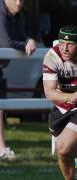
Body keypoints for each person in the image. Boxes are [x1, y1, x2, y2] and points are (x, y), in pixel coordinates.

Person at [0, 0, 36, 160]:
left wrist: (29, 41)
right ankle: (2, 151)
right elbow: (7, 43)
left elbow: (24, 39)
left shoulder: (17, 16)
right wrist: (26, 44)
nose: (19, 3)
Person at [43, 25, 77, 180]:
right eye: (62, 43)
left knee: (64, 147)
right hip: (62, 108)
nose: (65, 48)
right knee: (63, 153)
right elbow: (50, 93)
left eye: (70, 44)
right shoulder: (52, 57)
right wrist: (71, 97)